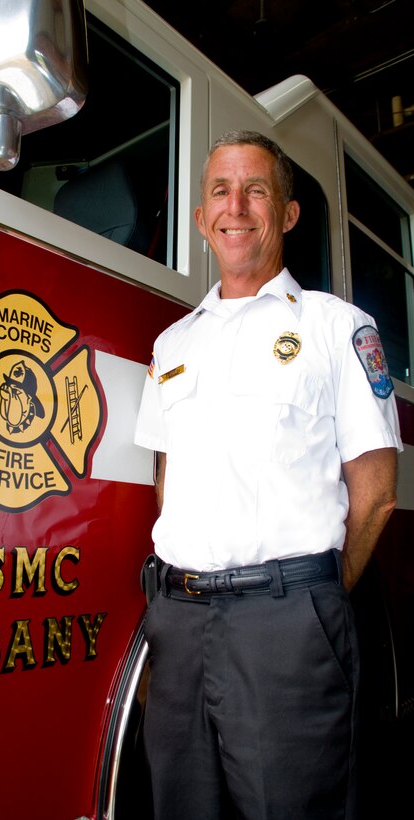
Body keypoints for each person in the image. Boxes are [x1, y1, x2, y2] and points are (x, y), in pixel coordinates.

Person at [134, 130, 402, 820]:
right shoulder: (171, 345)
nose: (236, 206)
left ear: (285, 213)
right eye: (220, 190)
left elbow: (372, 496)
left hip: (287, 627)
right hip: (178, 622)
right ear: (201, 219)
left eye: (256, 189)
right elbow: (169, 481)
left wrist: (307, 604)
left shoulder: (334, 327)